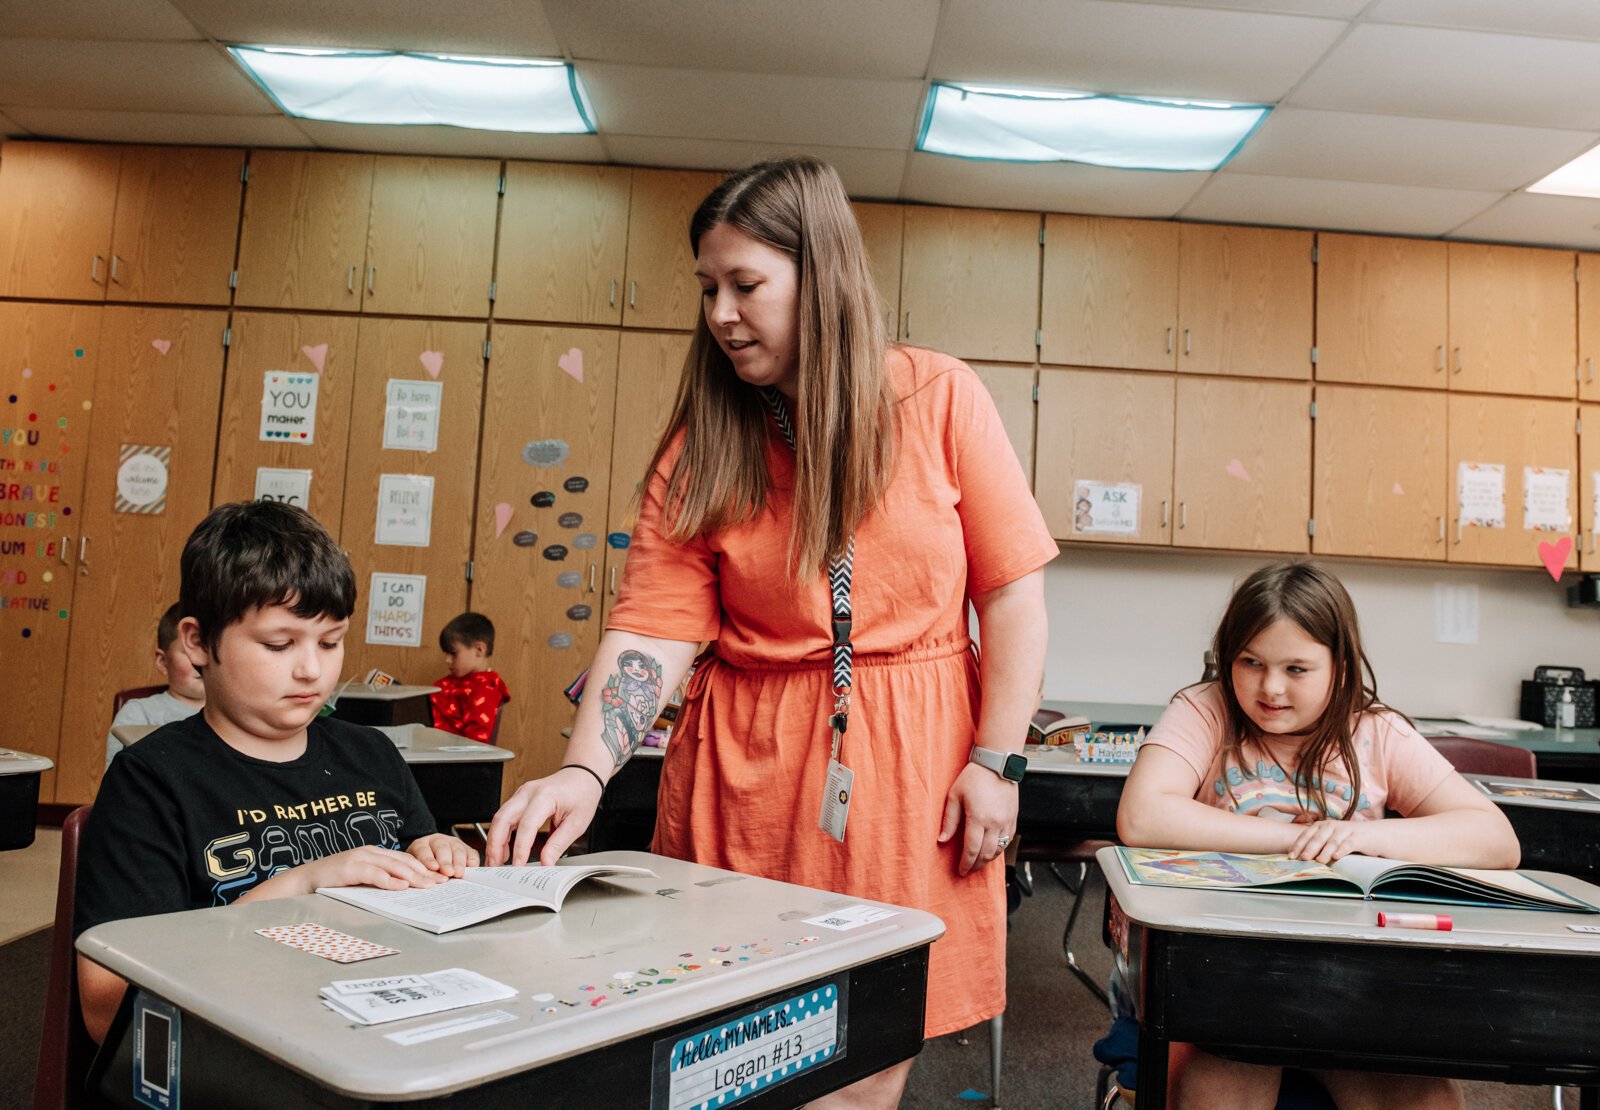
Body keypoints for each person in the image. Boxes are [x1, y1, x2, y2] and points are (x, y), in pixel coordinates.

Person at [487, 157, 1054, 1108]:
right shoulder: (702, 439)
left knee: (864, 1058)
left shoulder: (939, 399)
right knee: (729, 1054)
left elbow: (1012, 597)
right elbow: (651, 630)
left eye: (746, 285)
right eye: (708, 288)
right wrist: (586, 771)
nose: (720, 313)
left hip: (911, 771)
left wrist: (998, 763)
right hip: (744, 769)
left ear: (820, 277)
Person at [1116, 561, 1519, 1110]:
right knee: (1217, 1095)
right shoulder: (1205, 709)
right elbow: (1142, 817)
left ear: (1341, 667)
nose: (1270, 687)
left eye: (1297, 669)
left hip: (1349, 987)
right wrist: (1291, 841)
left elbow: (1495, 838)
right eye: (1250, 662)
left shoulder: (1375, 731)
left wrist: (1357, 836)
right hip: (1227, 983)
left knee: (1428, 1103)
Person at [75, 501, 475, 1044]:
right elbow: (107, 1005)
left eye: (331, 642)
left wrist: (437, 853)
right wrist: (301, 882)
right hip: (240, 1040)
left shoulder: (372, 755)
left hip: (378, 1023)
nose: (313, 669)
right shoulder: (152, 781)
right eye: (278, 644)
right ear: (198, 643)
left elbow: (423, 887)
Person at [103, 602, 204, 768]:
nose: (201, 661)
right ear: (163, 662)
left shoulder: (234, 715)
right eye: (189, 652)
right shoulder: (139, 713)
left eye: (210, 650)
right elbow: (118, 780)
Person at [430, 611, 510, 743]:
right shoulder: (455, 680)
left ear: (479, 650)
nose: (447, 660)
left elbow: (474, 745)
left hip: (445, 756)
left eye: (453, 654)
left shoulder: (485, 690)